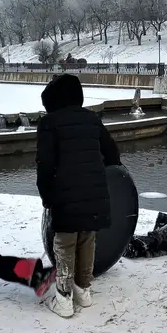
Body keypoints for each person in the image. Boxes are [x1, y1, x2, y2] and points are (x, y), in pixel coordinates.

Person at [36, 73, 120, 319]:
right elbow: (113, 155)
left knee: (64, 242)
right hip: (95, 194)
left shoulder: (49, 123)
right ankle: (83, 291)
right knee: (87, 238)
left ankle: (63, 298)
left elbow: (45, 165)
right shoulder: (92, 120)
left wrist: (47, 196)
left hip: (64, 195)